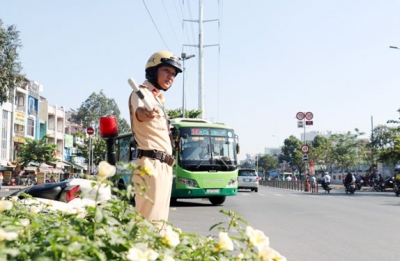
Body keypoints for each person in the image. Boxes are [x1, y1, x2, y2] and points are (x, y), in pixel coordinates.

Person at [128, 50, 182, 229]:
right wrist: (148, 113)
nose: (170, 77)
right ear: (153, 70)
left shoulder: (157, 99)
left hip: (163, 165)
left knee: (160, 223)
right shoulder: (141, 94)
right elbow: (141, 113)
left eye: (173, 74)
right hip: (151, 164)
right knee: (149, 223)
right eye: (166, 70)